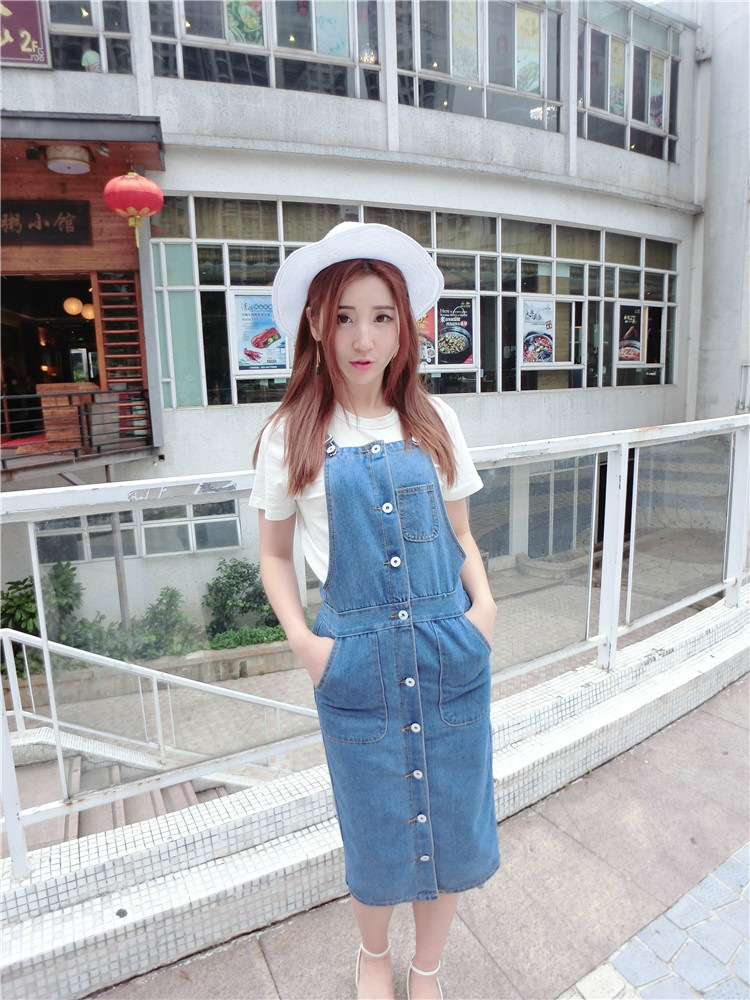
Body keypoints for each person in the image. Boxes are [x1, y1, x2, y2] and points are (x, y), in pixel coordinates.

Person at [250, 222, 500, 1000]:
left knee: (452, 825)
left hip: (449, 650)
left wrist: (483, 612)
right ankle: (373, 955)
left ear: (405, 328)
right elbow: (274, 555)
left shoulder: (435, 421)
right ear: (316, 324)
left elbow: (461, 535)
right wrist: (308, 645)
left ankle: (426, 969)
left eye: (382, 316)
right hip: (353, 661)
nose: (363, 338)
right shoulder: (290, 434)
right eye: (345, 317)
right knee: (375, 832)